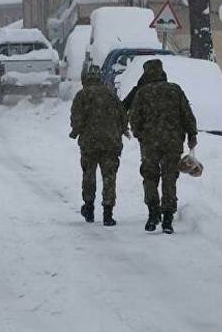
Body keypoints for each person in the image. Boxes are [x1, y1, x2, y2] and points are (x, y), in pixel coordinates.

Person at [128, 59, 197, 234]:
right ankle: (167, 217)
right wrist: (192, 135)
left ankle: (153, 213)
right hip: (173, 142)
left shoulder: (142, 93)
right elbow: (187, 114)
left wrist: (139, 134)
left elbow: (134, 118)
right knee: (169, 177)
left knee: (150, 176)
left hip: (150, 142)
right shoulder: (175, 90)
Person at [69, 66, 128, 226]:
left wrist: (75, 131)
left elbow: (77, 119)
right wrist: (121, 131)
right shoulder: (111, 95)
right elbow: (123, 116)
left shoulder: (82, 95)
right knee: (109, 177)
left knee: (89, 175)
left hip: (90, 143)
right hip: (111, 142)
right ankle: (108, 213)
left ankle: (89, 208)